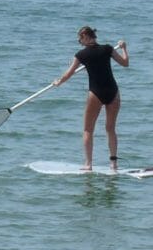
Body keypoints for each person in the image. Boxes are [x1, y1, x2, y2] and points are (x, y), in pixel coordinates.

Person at [52, 26, 131, 172]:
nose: (79, 42)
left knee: (88, 130)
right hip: (113, 91)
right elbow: (125, 63)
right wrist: (124, 48)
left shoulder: (81, 55)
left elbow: (68, 75)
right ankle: (113, 164)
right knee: (111, 128)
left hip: (96, 93)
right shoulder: (108, 49)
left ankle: (88, 164)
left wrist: (58, 82)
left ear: (86, 36)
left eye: (80, 39)